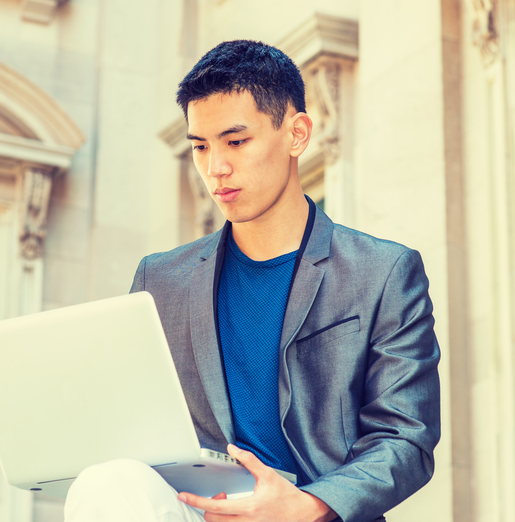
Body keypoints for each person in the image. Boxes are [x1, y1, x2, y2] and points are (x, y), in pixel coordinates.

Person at [64, 40, 440, 522]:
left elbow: (406, 438)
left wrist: (306, 506)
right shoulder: (160, 280)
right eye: (200, 146)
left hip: (313, 515)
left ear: (297, 134)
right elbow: (131, 423)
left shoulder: (383, 272)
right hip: (195, 509)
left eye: (235, 142)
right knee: (105, 482)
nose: (215, 168)